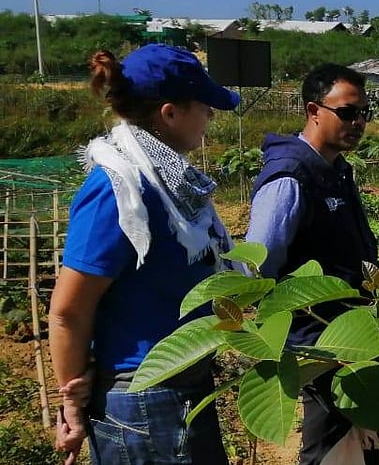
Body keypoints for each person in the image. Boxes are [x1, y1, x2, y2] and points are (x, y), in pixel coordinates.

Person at [49, 44, 240, 464]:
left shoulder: (171, 187)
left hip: (180, 387)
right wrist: (71, 402)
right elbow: (68, 311)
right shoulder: (117, 190)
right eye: (205, 107)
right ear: (170, 113)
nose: (210, 117)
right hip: (144, 400)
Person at [244, 63, 379, 465]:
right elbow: (258, 267)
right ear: (314, 110)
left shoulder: (336, 170)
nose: (359, 122)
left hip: (350, 334)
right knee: (329, 447)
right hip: (317, 342)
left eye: (364, 113)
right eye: (348, 112)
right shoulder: (291, 178)